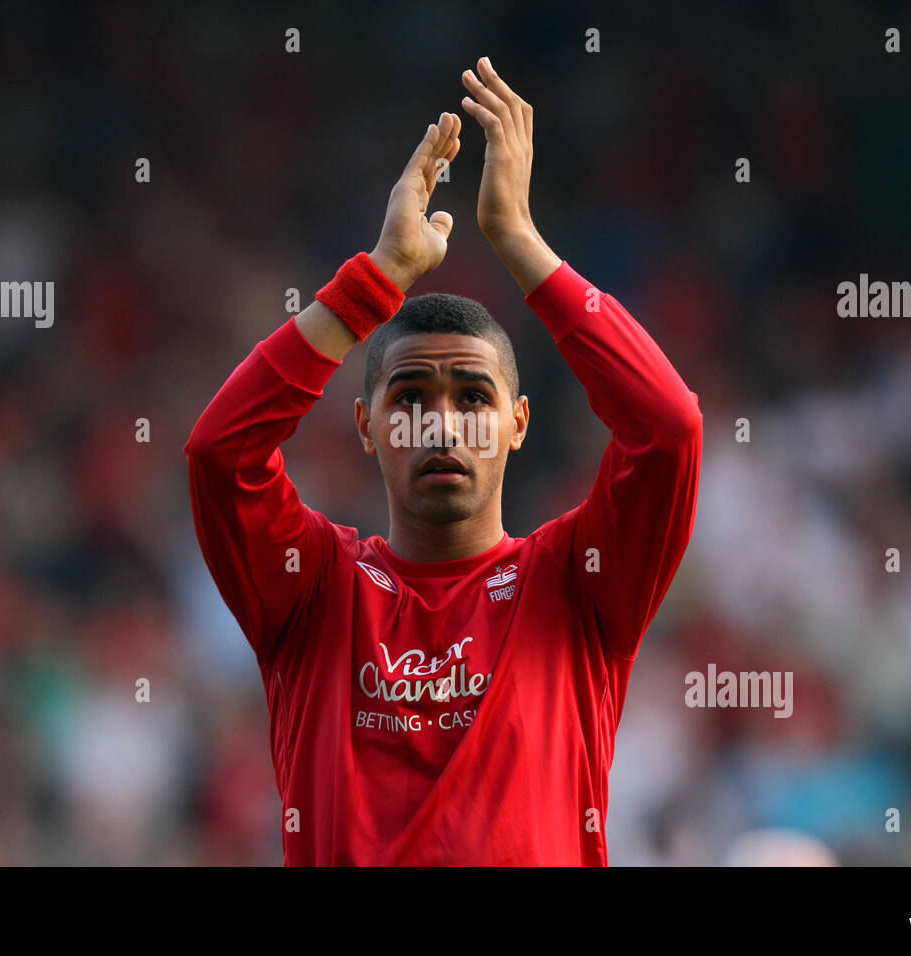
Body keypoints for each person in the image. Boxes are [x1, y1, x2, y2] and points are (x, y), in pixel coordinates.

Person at [184, 56, 703, 865]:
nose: (443, 424)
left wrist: (522, 243)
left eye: (473, 397)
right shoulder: (314, 588)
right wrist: (377, 280)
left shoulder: (578, 582)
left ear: (519, 423)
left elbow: (668, 428)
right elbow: (221, 455)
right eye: (411, 398)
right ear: (366, 426)